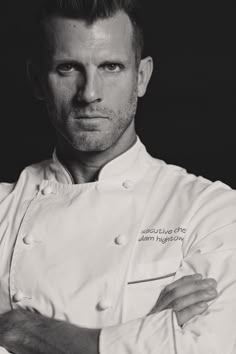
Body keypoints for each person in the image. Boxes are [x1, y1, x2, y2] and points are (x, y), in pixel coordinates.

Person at [0, 0, 235, 353]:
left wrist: (20, 330)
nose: (89, 93)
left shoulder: (211, 210)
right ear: (36, 80)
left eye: (111, 66)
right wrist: (146, 334)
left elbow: (213, 344)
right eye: (67, 68)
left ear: (140, 77)